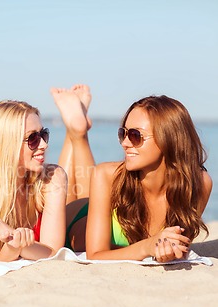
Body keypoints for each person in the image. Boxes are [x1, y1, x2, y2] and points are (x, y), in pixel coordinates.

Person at [0, 85, 96, 261]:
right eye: (32, 139)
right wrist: (16, 242)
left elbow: (52, 253)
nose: (44, 145)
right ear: (8, 144)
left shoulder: (52, 178)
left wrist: (2, 229)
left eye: (44, 134)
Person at [85, 95, 212, 262]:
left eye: (135, 135)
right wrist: (147, 246)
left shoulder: (199, 184)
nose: (125, 143)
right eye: (123, 133)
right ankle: (78, 133)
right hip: (75, 223)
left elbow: (176, 249)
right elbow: (94, 256)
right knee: (75, 189)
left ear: (167, 138)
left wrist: (166, 251)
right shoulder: (106, 175)